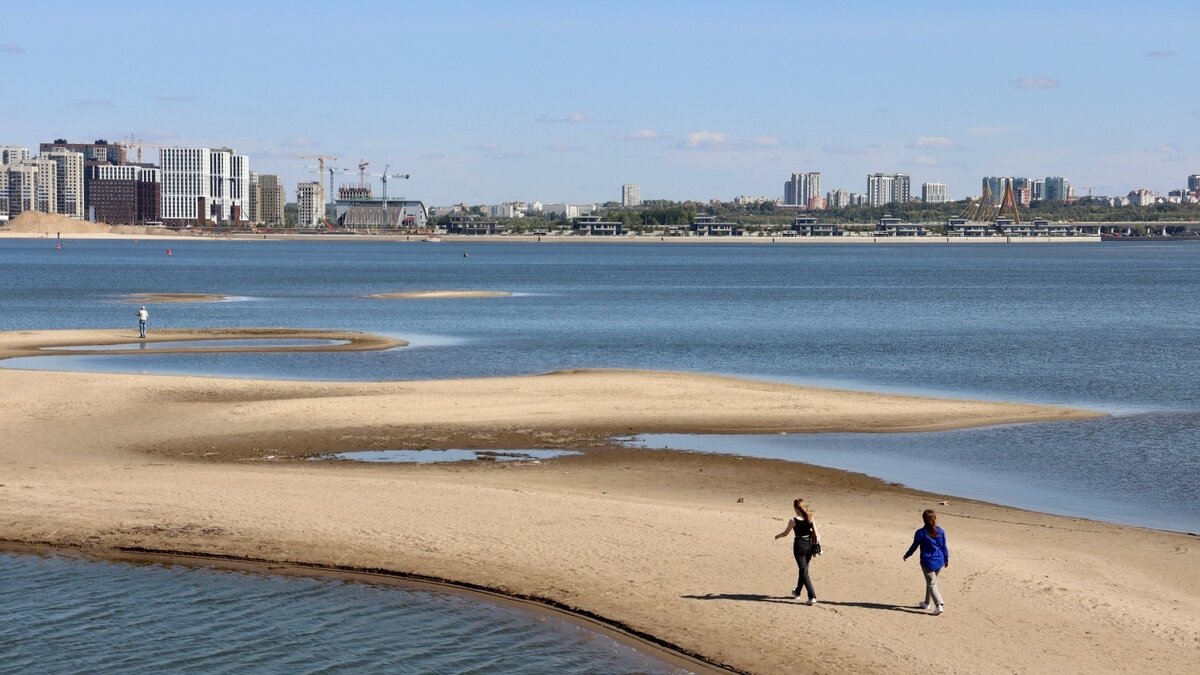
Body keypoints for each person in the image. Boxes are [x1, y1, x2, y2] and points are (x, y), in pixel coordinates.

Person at [774, 497, 821, 604]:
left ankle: (812, 596)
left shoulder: (793, 521)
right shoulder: (810, 518)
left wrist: (778, 536)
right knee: (803, 570)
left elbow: (786, 533)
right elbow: (816, 533)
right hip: (809, 545)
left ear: (796, 508)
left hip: (799, 546)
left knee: (804, 571)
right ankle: (797, 592)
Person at [903, 509, 950, 615]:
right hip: (940, 561)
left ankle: (939, 605)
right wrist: (946, 559)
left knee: (932, 584)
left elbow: (914, 546)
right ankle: (926, 603)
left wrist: (907, 555)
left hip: (927, 562)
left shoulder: (920, 533)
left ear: (924, 519)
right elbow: (944, 547)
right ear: (934, 519)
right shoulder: (940, 531)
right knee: (930, 582)